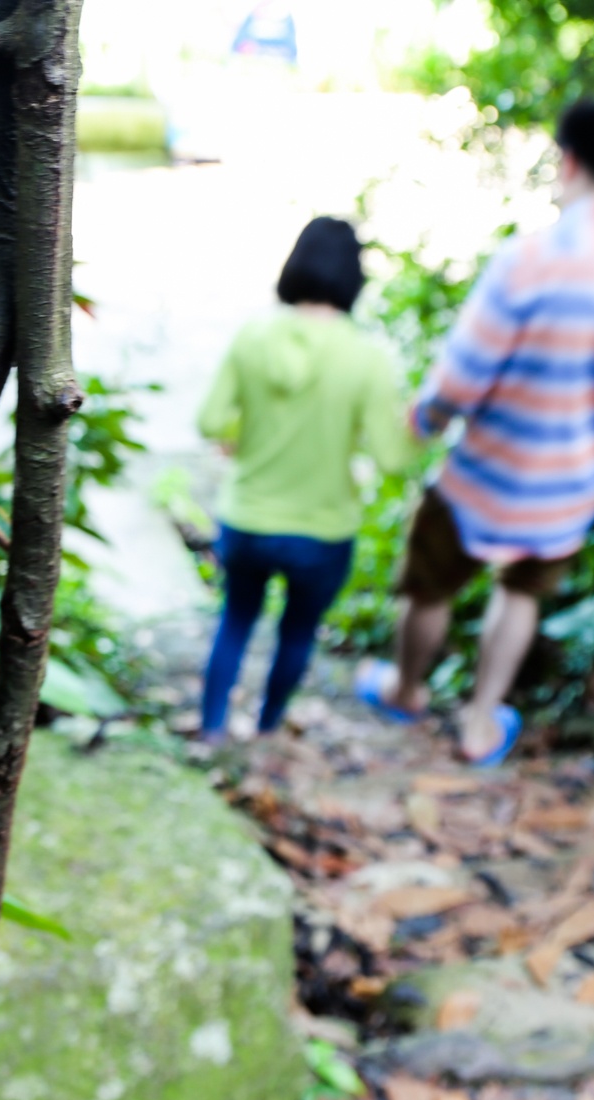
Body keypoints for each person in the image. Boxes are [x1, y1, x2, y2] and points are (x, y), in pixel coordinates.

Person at [359, 98, 594, 765]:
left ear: (568, 162)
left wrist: (427, 419)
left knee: (431, 585)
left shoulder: (530, 258)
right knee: (520, 596)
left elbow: (464, 372)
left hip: (481, 475)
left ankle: (406, 690)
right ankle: (479, 724)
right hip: (570, 491)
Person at [198, 216, 411, 744]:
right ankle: (268, 729)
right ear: (352, 279)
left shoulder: (252, 336)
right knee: (296, 633)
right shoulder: (367, 357)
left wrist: (238, 432)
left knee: (236, 620)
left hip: (246, 519)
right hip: (322, 529)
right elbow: (391, 458)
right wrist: (421, 427)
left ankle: (212, 729)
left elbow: (209, 421)